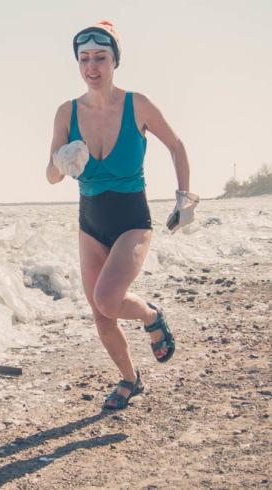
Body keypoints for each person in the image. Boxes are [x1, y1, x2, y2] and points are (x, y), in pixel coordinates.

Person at [46, 20, 196, 409]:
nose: (91, 66)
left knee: (109, 298)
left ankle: (150, 315)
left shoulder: (137, 105)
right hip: (90, 221)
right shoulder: (67, 112)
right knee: (101, 314)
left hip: (131, 218)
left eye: (100, 57)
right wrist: (61, 162)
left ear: (115, 60)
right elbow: (49, 176)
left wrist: (184, 198)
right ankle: (130, 379)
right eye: (84, 59)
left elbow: (176, 145)